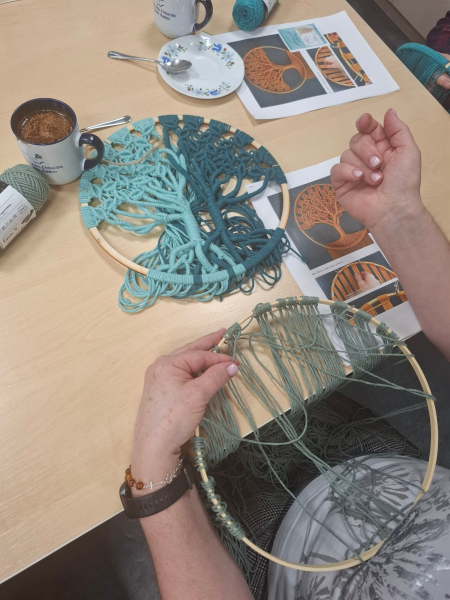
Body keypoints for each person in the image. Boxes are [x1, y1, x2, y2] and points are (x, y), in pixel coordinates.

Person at [127, 110, 450, 599]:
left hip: (274, 560)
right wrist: (399, 217)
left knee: (232, 441)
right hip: (391, 470)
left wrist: (153, 472)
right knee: (285, 409)